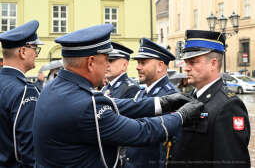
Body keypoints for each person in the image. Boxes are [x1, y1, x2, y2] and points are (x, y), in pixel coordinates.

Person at [33, 24, 204, 168]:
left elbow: (112, 104)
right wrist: (181, 116)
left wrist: (162, 103)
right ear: (91, 62)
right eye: (106, 59)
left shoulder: (55, 88)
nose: (107, 66)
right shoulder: (84, 105)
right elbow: (141, 131)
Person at [168, 30, 250, 168]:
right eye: (186, 62)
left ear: (213, 64)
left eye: (193, 62)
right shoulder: (190, 99)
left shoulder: (228, 106)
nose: (186, 68)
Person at [123, 38, 179, 168]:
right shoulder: (141, 93)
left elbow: (166, 146)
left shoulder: (170, 97)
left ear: (160, 65)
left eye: (143, 62)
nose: (137, 67)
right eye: (138, 62)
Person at [0, 20, 43, 167]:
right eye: (35, 48)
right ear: (23, 52)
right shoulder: (25, 90)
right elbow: (29, 150)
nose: (36, 54)